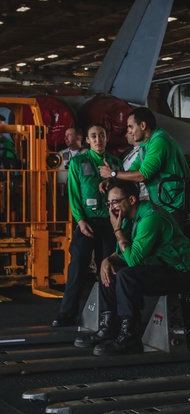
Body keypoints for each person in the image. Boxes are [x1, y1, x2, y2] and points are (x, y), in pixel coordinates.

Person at [91, 179, 190, 355]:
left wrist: (117, 231)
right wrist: (107, 260)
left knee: (126, 276)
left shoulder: (150, 219)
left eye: (115, 202)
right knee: (110, 270)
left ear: (131, 200)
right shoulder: (129, 217)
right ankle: (109, 327)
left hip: (177, 273)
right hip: (156, 265)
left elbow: (133, 260)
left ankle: (129, 337)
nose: (111, 208)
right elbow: (123, 252)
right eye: (109, 203)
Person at [52, 125, 123, 328]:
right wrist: (80, 220)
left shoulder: (116, 164)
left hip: (110, 223)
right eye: (94, 136)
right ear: (88, 141)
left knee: (109, 269)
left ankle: (109, 314)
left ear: (106, 138)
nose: (98, 139)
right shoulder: (78, 162)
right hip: (87, 223)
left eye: (102, 135)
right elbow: (74, 195)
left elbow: (125, 190)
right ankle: (67, 313)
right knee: (77, 267)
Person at [100, 107, 190, 214]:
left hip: (175, 203)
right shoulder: (145, 145)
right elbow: (134, 168)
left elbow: (142, 175)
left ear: (142, 125)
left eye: (130, 127)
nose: (129, 132)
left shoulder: (159, 142)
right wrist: (112, 179)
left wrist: (112, 173)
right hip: (164, 202)